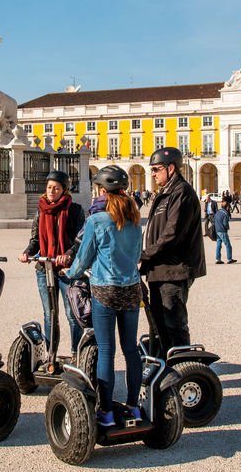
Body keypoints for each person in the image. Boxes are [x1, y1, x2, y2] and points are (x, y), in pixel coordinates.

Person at [66, 165, 143, 427]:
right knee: (131, 349)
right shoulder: (135, 218)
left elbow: (83, 258)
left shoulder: (96, 221)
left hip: (105, 290)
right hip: (132, 289)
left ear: (101, 190)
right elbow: (136, 256)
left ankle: (107, 412)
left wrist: (71, 273)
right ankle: (134, 408)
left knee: (107, 350)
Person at [140, 147, 206, 355]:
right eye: (151, 169)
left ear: (171, 169)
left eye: (156, 169)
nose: (153, 173)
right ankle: (165, 366)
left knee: (174, 323)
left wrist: (144, 255)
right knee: (159, 323)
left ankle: (180, 367)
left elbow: (172, 234)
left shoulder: (182, 193)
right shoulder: (166, 194)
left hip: (174, 269)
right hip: (160, 269)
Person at [18, 170, 85, 358]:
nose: (51, 191)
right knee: (49, 314)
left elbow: (80, 240)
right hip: (44, 267)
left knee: (72, 314)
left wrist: (69, 254)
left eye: (56, 188)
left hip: (66, 270)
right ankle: (50, 354)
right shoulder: (41, 210)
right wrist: (27, 253)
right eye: (49, 187)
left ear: (64, 190)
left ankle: (76, 353)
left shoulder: (75, 210)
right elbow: (35, 240)